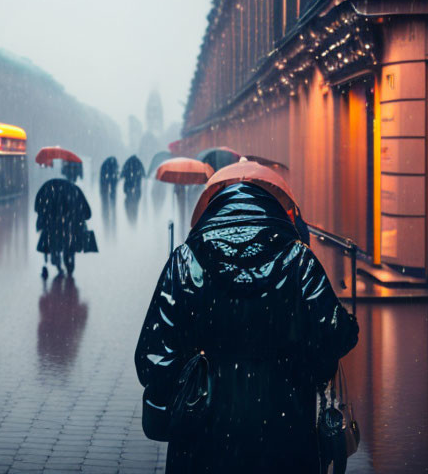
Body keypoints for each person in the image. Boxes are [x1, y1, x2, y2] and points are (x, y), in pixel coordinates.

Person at [135, 182, 358, 473]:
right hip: (285, 425)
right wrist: (308, 364)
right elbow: (336, 334)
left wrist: (172, 391)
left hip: (203, 427)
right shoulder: (298, 259)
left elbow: (153, 354)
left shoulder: (186, 260)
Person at [35, 178, 93, 278]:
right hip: (69, 227)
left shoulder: (47, 191)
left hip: (53, 227)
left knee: (53, 241)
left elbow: (38, 209)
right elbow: (87, 213)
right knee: (69, 244)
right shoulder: (74, 191)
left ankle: (56, 260)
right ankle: (69, 261)